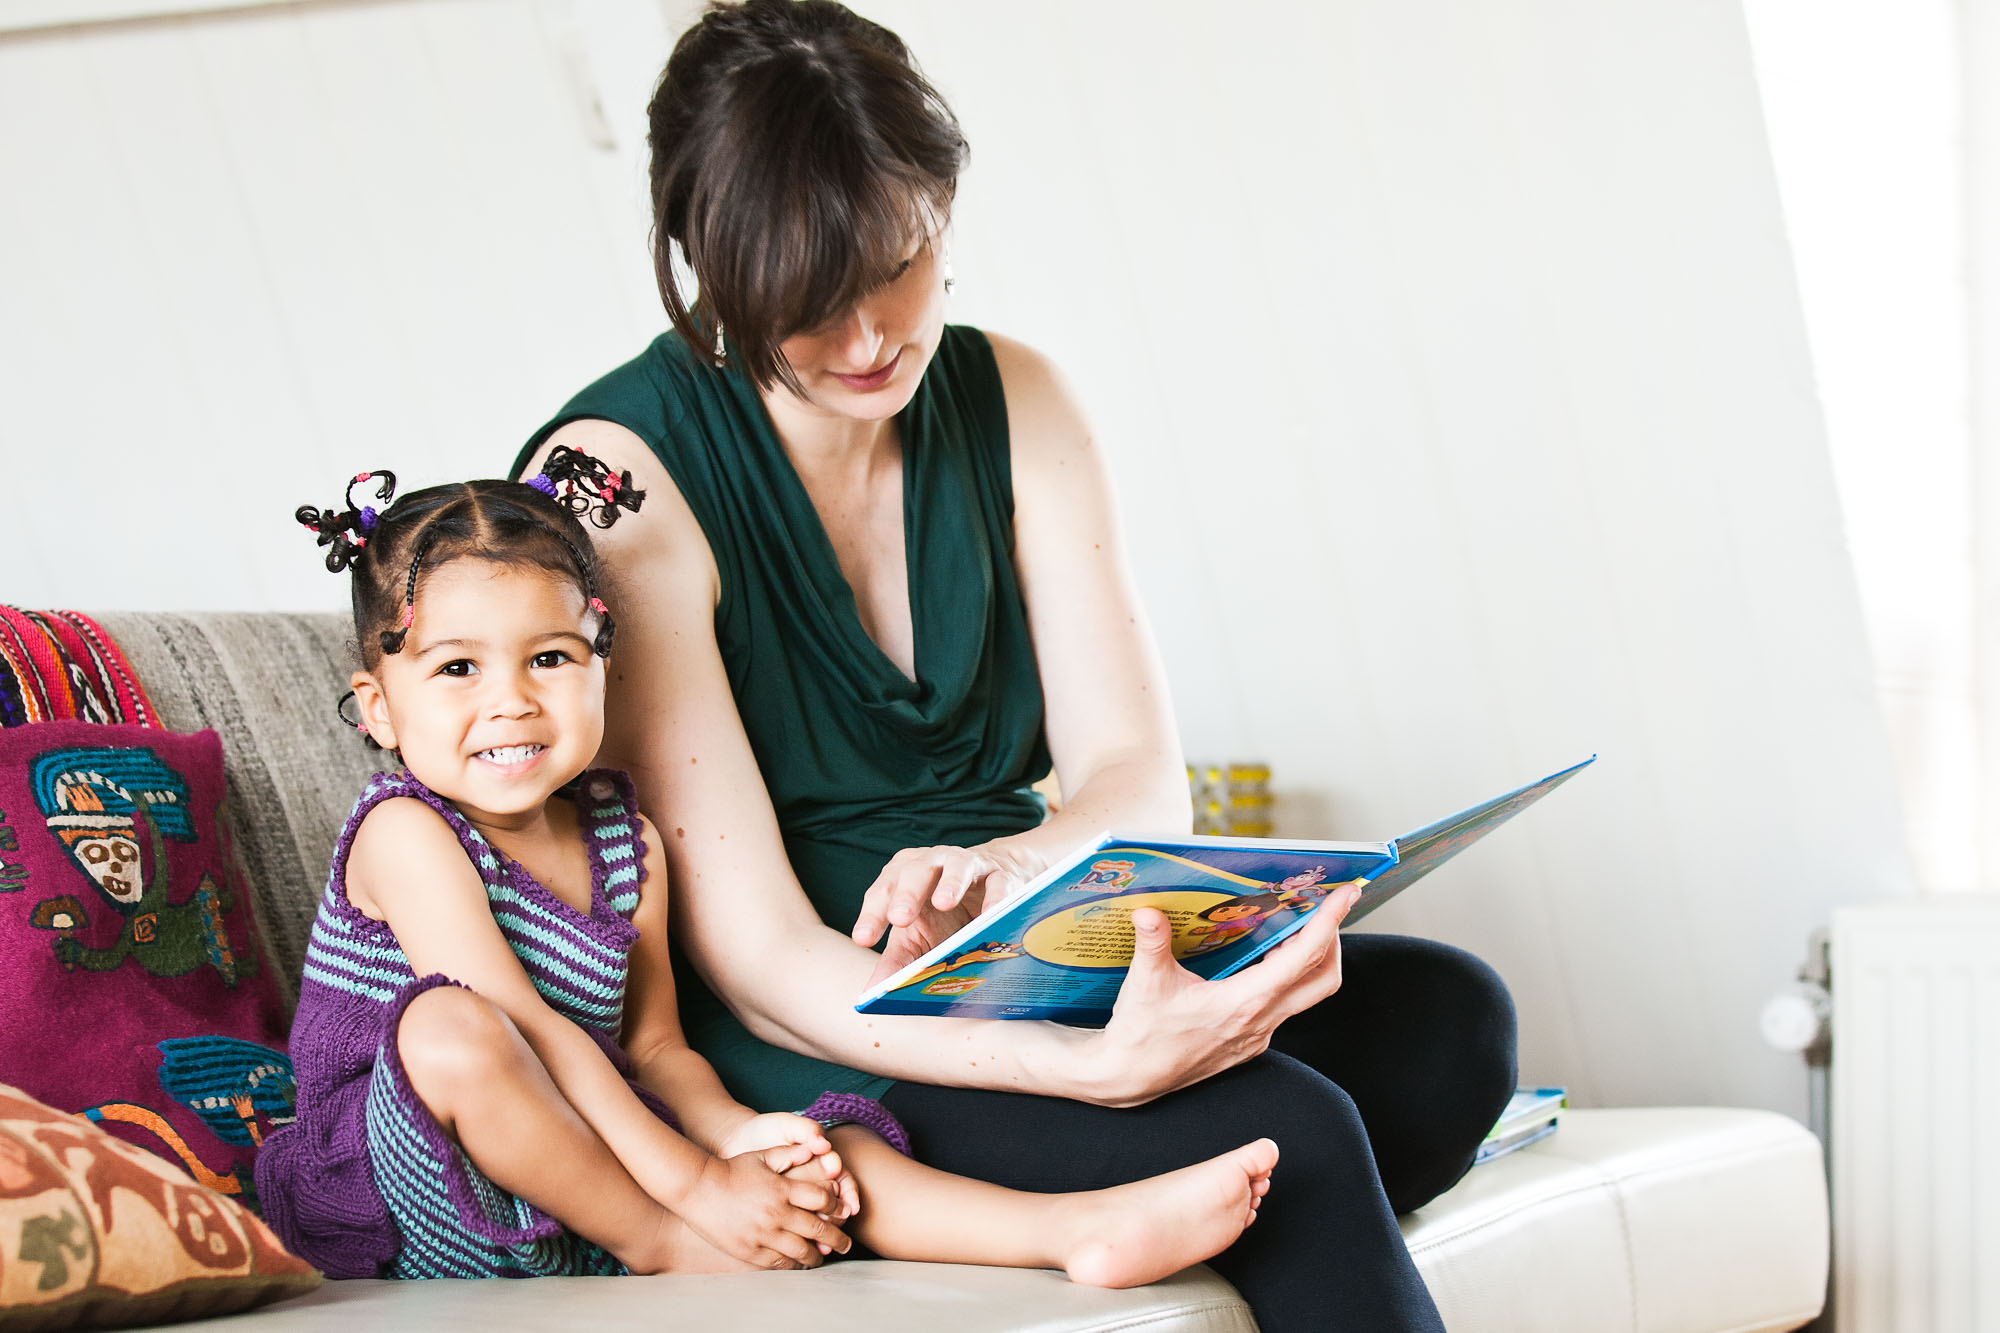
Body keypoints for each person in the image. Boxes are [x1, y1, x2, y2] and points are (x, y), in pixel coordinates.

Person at [514, 2, 1517, 1327]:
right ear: (706, 261)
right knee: (1295, 1135)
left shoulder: (1018, 396)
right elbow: (758, 959)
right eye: (808, 302)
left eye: (899, 264)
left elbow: (1135, 774)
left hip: (1031, 956)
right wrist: (1089, 1071)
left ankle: (1204, 1215)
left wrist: (1017, 868)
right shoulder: (616, 482)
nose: (869, 338)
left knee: (1451, 1024)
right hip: (824, 1031)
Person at [252, 454, 1279, 1281]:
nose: (511, 699)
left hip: (593, 1153)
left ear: (603, 661)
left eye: (550, 657)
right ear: (379, 707)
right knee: (452, 1026)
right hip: (415, 1179)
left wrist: (744, 1142)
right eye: (457, 667)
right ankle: (665, 1251)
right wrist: (692, 1195)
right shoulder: (406, 831)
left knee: (823, 1145)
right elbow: (526, 1027)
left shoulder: (627, 842)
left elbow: (653, 1048)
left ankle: (1072, 1230)